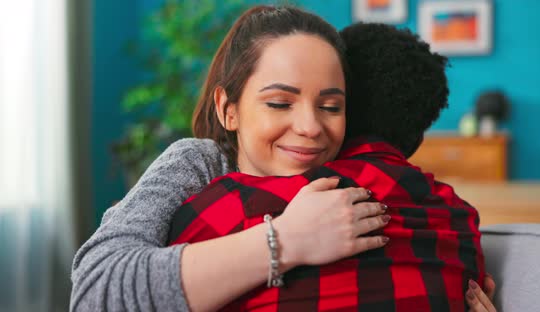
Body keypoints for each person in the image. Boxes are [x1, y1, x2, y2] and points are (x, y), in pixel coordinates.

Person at [71, 5, 496, 312]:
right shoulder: (200, 165)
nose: (310, 126)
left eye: (331, 107)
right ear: (228, 109)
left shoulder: (365, 186)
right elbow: (94, 294)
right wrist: (285, 242)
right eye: (279, 103)